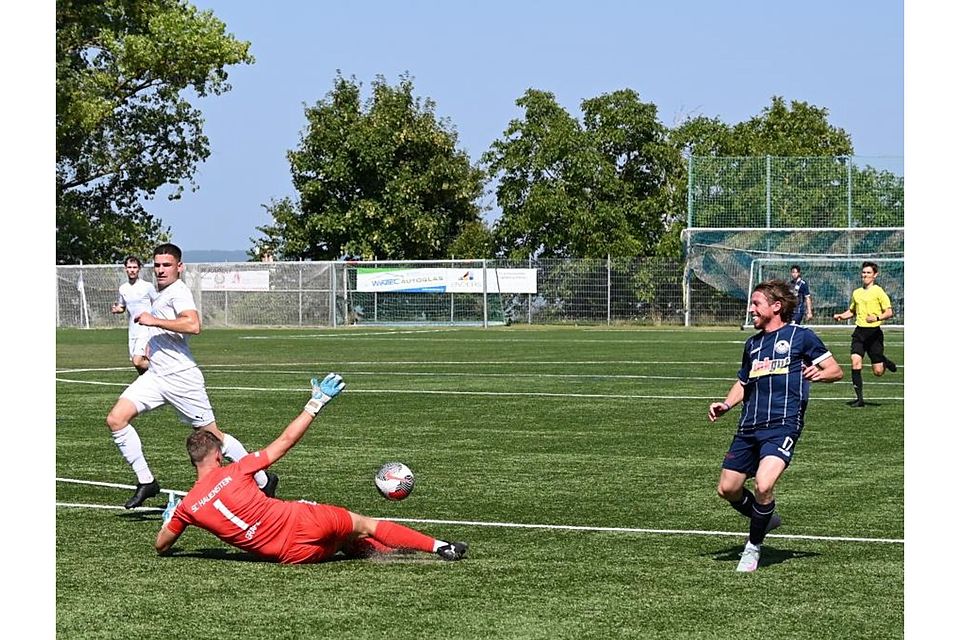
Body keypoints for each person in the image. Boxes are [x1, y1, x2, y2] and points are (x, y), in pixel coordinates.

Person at [155, 373, 468, 564]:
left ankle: (391, 554)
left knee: (346, 540)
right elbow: (286, 440)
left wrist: (171, 520)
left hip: (293, 557)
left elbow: (162, 546)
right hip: (304, 524)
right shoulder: (237, 470)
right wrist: (314, 403)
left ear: (192, 461)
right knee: (364, 524)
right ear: (220, 456)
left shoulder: (187, 508)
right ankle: (440, 547)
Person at [105, 243, 278, 509]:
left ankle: (264, 480)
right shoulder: (160, 293)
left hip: (182, 378)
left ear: (179, 267)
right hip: (156, 376)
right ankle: (146, 482)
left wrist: (154, 321)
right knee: (116, 419)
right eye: (158, 265)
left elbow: (193, 324)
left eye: (167, 265)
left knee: (214, 438)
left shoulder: (179, 292)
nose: (161, 270)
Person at [708, 280, 843, 572]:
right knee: (727, 489)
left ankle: (753, 546)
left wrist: (820, 375)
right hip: (748, 426)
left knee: (764, 484)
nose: (751, 309)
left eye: (756, 303)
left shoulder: (801, 337)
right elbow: (744, 382)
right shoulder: (752, 344)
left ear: (776, 307)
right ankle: (765, 518)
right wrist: (726, 404)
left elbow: (835, 369)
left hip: (783, 424)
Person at [832, 261, 898, 407]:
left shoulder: (879, 291)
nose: (865, 275)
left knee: (878, 372)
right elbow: (853, 311)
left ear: (875, 275)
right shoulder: (857, 292)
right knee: (855, 362)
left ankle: (883, 361)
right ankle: (860, 399)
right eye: (864, 272)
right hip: (859, 333)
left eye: (868, 273)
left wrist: (877, 318)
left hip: (874, 334)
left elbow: (889, 312)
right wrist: (842, 316)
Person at [111, 255, 158, 375]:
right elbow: (122, 307)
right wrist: (117, 309)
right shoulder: (123, 288)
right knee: (136, 363)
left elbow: (158, 303)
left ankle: (163, 367)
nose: (132, 270)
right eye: (129, 267)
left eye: (135, 267)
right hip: (133, 330)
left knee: (138, 361)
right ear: (125, 269)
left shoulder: (147, 287)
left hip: (146, 329)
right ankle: (148, 386)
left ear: (139, 269)